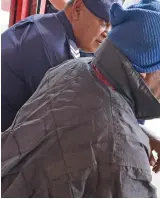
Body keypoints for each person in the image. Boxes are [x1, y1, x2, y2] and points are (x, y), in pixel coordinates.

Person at [1, 0, 160, 197]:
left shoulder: (73, 67)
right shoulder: (125, 158)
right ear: (148, 67)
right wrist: (129, 137)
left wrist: (134, 130)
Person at [1, 0, 117, 132]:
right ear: (77, 9)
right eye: (104, 23)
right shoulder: (53, 52)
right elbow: (54, 127)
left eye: (111, 27)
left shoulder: (48, 25)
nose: (107, 33)